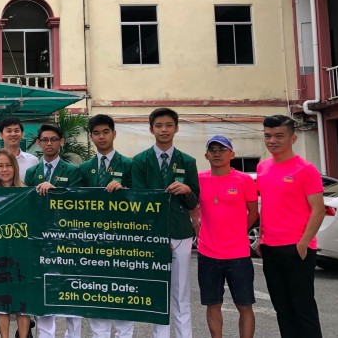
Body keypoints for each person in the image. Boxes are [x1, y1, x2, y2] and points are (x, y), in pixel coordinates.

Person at [131, 107, 199, 338]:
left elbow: (194, 201)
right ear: (151, 129)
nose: (164, 130)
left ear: (176, 128)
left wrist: (187, 190)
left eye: (169, 125)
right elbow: (139, 201)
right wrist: (158, 235)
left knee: (181, 293)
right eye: (159, 126)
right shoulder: (140, 161)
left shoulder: (187, 161)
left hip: (180, 233)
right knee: (158, 292)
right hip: (152, 234)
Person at [257, 115, 324, 338]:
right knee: (282, 309)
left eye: (279, 136)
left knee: (303, 309)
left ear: (293, 138)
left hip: (297, 249)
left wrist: (303, 244)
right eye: (268, 136)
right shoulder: (263, 167)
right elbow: (268, 206)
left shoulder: (306, 169)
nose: (272, 141)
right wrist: (261, 239)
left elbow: (318, 209)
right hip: (270, 248)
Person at [75, 114, 134, 338]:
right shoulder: (84, 168)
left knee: (122, 289)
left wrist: (125, 191)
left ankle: (124, 334)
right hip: (93, 240)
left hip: (123, 238)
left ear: (114, 134)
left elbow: (142, 200)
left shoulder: (129, 165)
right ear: (91, 137)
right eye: (96, 133)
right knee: (97, 290)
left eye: (106, 132)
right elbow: (76, 202)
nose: (101, 137)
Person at [196, 135, 258, 338]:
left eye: (222, 149)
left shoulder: (244, 180)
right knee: (213, 304)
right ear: (206, 155)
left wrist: (238, 231)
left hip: (238, 254)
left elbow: (253, 212)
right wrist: (196, 226)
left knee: (245, 305)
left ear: (232, 154)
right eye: (212, 149)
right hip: (208, 253)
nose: (217, 153)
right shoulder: (199, 179)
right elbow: (192, 206)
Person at [25, 124, 81, 338]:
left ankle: (73, 335)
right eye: (45, 140)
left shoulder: (73, 171)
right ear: (39, 143)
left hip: (68, 239)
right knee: (45, 290)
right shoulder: (32, 173)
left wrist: (57, 191)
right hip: (42, 240)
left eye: (54, 139)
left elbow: (79, 202)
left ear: (61, 142)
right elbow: (27, 205)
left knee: (71, 290)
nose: (49, 143)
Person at [0, 150, 31, 338]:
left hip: (22, 255)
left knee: (23, 302)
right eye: (0, 166)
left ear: (15, 168)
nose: (4, 169)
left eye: (8, 165)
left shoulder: (27, 193)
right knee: (2, 302)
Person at [0, 117, 38, 182]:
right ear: (1, 135)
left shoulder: (33, 161)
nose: (13, 134)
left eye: (16, 131)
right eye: (9, 131)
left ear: (22, 134)